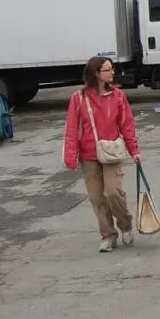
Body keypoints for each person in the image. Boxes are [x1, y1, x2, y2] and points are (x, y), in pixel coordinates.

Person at [62, 56, 141, 253]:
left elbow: (127, 125)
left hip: (112, 152)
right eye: (107, 70)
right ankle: (108, 236)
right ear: (96, 73)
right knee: (97, 197)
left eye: (112, 69)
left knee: (113, 192)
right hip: (88, 155)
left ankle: (125, 225)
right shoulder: (79, 97)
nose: (112, 72)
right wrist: (70, 156)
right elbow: (72, 128)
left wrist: (134, 151)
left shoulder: (118, 96)